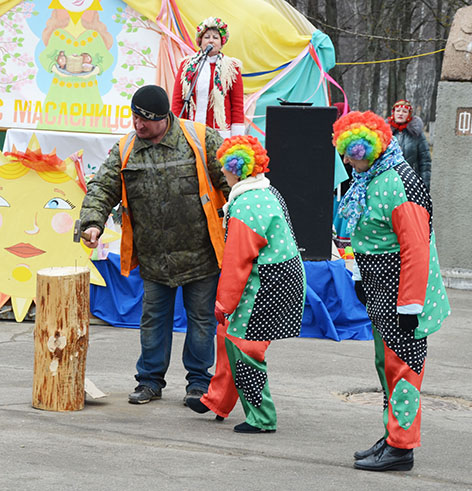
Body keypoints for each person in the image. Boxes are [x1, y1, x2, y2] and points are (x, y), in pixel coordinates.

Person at [79, 84, 230, 406]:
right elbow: (101, 189)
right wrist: (92, 223)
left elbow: (234, 183)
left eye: (145, 121)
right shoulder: (126, 149)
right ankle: (149, 381)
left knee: (201, 320)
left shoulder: (201, 140)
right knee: (152, 320)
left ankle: (198, 383)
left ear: (165, 119)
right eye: (134, 117)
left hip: (201, 255)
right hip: (153, 258)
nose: (138, 125)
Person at [333, 111, 450, 471]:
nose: (348, 162)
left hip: (401, 294)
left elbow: (416, 247)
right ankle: (392, 435)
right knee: (387, 366)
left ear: (368, 149)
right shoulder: (374, 176)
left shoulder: (398, 182)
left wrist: (410, 304)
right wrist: (361, 278)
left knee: (403, 370)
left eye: (352, 154)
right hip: (384, 289)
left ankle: (401, 447)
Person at [186, 135, 306, 433]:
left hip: (269, 283)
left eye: (224, 167)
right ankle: (217, 400)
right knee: (229, 336)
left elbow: (237, 262)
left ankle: (262, 417)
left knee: (245, 346)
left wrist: (223, 303)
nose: (221, 173)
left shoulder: (245, 206)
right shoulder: (265, 191)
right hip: (279, 277)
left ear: (234, 169)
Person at [171, 17, 245, 139]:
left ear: (222, 43)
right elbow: (178, 101)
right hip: (190, 131)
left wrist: (236, 137)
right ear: (200, 42)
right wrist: (175, 131)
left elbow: (237, 105)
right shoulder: (187, 66)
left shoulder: (232, 67)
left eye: (215, 37)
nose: (211, 41)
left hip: (220, 133)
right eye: (207, 37)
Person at [387, 99, 432, 190]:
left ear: (409, 114)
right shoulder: (385, 133)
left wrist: (424, 186)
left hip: (411, 182)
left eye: (404, 111)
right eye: (398, 110)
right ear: (393, 113)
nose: (400, 114)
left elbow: (425, 162)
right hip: (388, 181)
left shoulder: (417, 134)